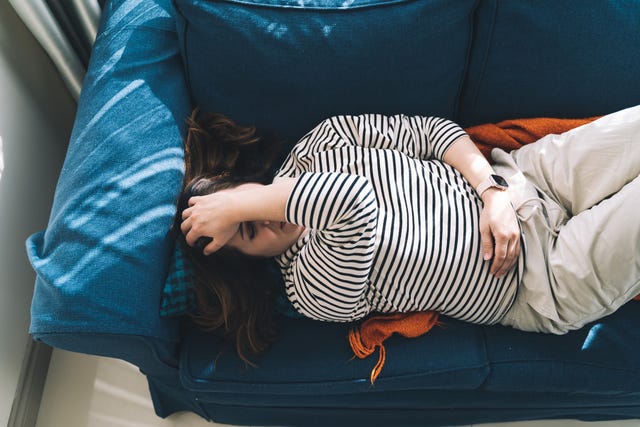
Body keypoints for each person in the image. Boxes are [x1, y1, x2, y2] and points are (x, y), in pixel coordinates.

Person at [178, 106, 640, 364]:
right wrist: (239, 204)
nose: (266, 220)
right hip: (543, 280)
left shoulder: (320, 141)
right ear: (252, 260)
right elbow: (351, 203)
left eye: (245, 203)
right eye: (250, 232)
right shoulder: (308, 288)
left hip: (528, 177)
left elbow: (432, 133)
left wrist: (492, 192)